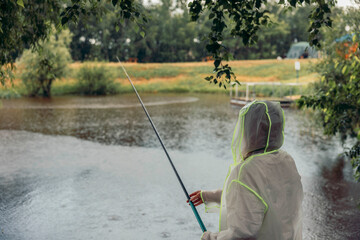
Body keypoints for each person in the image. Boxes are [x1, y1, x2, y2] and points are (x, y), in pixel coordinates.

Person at [189, 100, 303, 240]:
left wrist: (209, 237)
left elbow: (241, 234)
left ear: (248, 130)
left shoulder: (246, 171)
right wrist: (208, 195)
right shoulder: (286, 160)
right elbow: (261, 197)